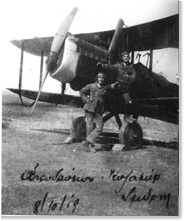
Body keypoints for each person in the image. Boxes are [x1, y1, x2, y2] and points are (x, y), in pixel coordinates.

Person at [79, 71, 117, 153]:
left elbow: (111, 86)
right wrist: (86, 99)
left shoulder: (105, 87)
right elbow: (81, 91)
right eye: (100, 77)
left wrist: (116, 84)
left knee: (100, 127)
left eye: (103, 77)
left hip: (99, 110)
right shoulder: (91, 85)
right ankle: (91, 145)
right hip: (89, 108)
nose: (101, 79)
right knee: (89, 127)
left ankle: (86, 142)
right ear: (97, 78)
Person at [97, 51, 136, 123]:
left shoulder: (131, 67)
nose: (126, 58)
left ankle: (126, 116)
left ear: (129, 58)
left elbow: (134, 76)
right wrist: (102, 66)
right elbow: (111, 67)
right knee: (109, 96)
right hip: (119, 85)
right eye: (124, 57)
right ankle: (99, 112)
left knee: (129, 101)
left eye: (127, 57)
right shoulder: (119, 65)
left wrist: (127, 77)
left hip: (126, 87)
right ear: (122, 58)